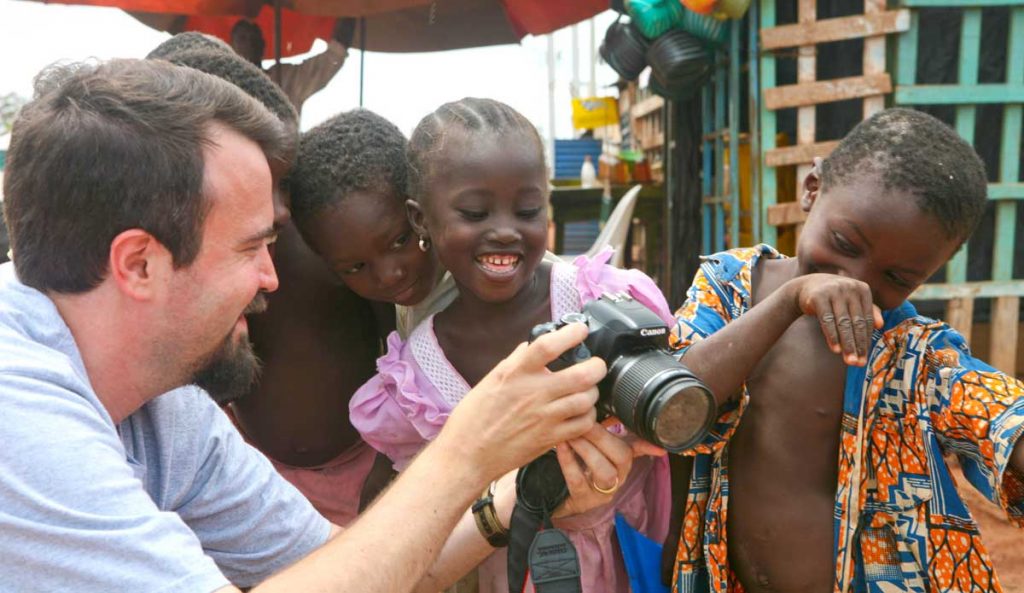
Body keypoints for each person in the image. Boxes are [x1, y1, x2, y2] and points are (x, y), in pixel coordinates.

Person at [0, 57, 638, 593]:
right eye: (251, 249)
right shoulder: (18, 414)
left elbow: (348, 565)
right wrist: (465, 447)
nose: (271, 280)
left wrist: (517, 488)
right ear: (140, 264)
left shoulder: (163, 405)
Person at [666, 108, 1024, 593]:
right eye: (844, 242)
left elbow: (995, 411)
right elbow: (675, 398)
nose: (856, 281)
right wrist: (790, 300)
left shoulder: (913, 355)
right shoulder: (728, 287)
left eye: (897, 278)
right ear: (811, 189)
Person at [349, 97, 673, 593]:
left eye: (527, 210)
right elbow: (402, 502)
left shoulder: (601, 303)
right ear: (420, 220)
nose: (504, 231)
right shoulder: (418, 375)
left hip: (626, 564)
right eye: (475, 213)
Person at [150, 40, 397, 526]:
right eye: (266, 182)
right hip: (253, 475)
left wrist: (392, 459)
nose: (280, 208)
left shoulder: (325, 236)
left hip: (370, 467)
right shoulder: (187, 264)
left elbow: (398, 333)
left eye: (285, 182)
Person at [231, 18, 354, 115]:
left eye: (254, 38)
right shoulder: (222, 83)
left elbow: (332, 57)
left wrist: (352, 9)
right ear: (231, 46)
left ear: (263, 45)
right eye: (242, 38)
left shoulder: (286, 78)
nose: (250, 43)